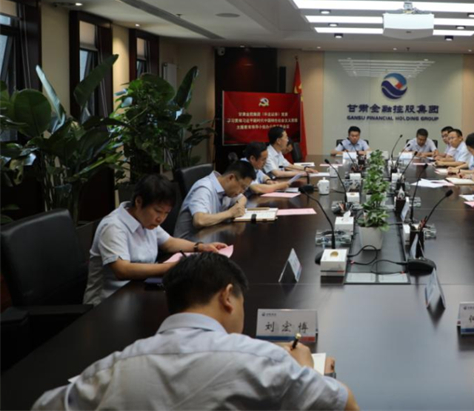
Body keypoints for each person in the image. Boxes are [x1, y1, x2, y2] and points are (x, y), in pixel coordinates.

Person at [35, 253, 359, 410]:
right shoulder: (263, 361)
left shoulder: (109, 371)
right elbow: (345, 404)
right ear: (227, 297)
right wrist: (305, 367)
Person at [83, 175, 227, 306]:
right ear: (139, 202)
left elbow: (169, 243)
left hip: (138, 292)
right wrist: (171, 267)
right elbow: (123, 270)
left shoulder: (145, 220)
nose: (161, 218)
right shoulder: (114, 226)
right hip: (106, 304)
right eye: (157, 211)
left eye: (166, 213)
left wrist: (201, 247)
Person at [174, 161, 255, 239]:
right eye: (243, 187)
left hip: (209, 238)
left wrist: (238, 207)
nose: (242, 191)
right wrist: (230, 213)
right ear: (231, 178)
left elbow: (242, 198)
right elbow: (199, 220)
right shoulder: (204, 188)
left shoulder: (226, 188)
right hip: (189, 244)